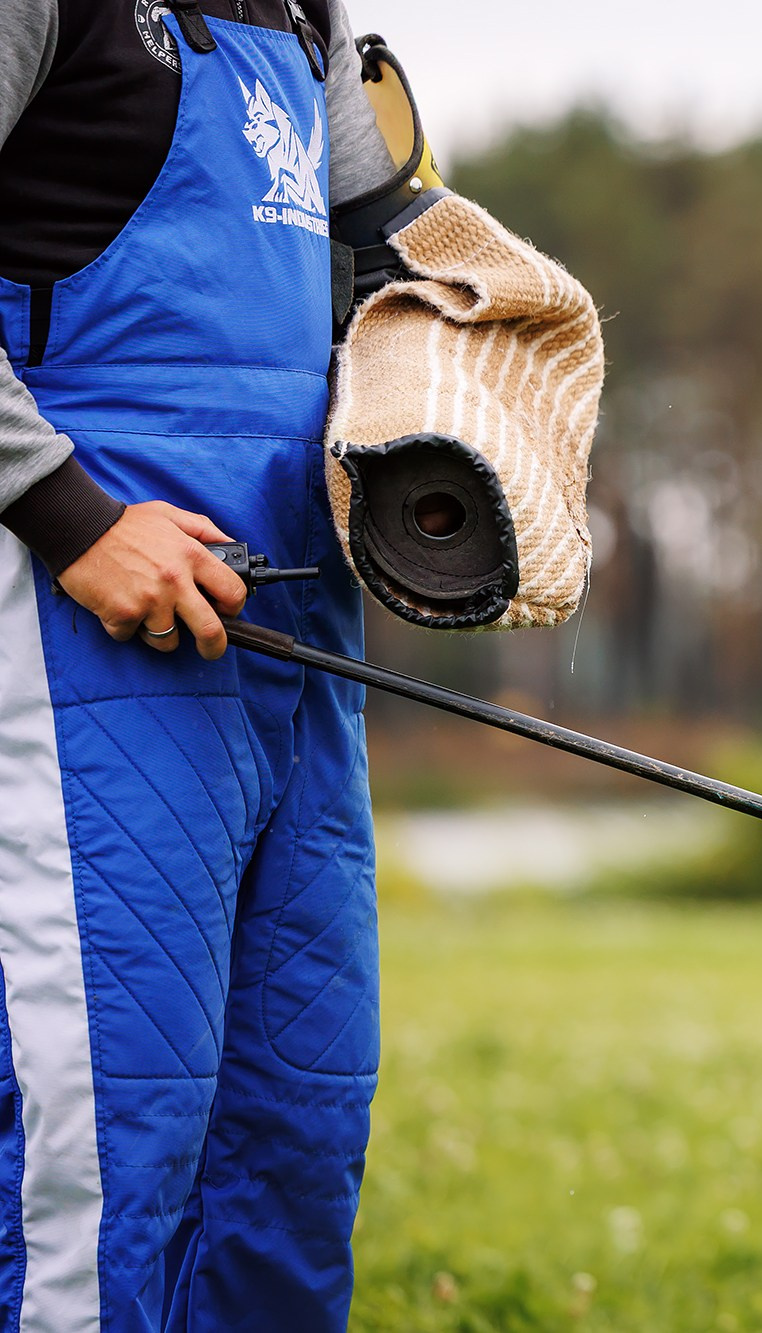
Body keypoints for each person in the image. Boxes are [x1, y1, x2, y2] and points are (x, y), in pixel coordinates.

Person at [0, 0, 400, 1326]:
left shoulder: (309, 12)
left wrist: (488, 352)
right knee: (102, 1173)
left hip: (303, 643)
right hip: (79, 641)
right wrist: (66, 512)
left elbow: (393, 243)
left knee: (292, 1157)